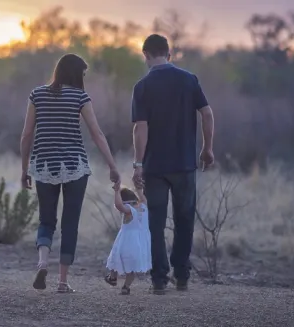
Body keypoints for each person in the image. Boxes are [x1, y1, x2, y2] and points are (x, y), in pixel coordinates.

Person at [20, 53, 120, 293]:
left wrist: (24, 169)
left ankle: (43, 262)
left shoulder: (37, 94)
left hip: (44, 165)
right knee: (70, 223)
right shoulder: (80, 97)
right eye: (83, 74)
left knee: (46, 219)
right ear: (76, 74)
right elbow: (97, 134)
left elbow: (26, 135)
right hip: (75, 166)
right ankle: (62, 282)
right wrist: (112, 165)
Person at [131, 34, 215, 294]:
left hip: (155, 167)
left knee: (155, 222)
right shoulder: (189, 80)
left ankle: (158, 279)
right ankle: (181, 276)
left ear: (145, 55)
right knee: (184, 219)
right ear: (169, 54)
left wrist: (138, 164)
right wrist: (207, 148)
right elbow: (207, 113)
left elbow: (140, 128)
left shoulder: (142, 86)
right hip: (184, 164)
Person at [104, 183, 151, 295]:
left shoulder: (129, 210)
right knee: (132, 267)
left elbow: (119, 205)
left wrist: (116, 191)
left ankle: (113, 277)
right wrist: (139, 189)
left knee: (116, 258)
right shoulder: (144, 206)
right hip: (141, 243)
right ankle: (126, 287)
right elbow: (142, 197)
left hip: (127, 241)